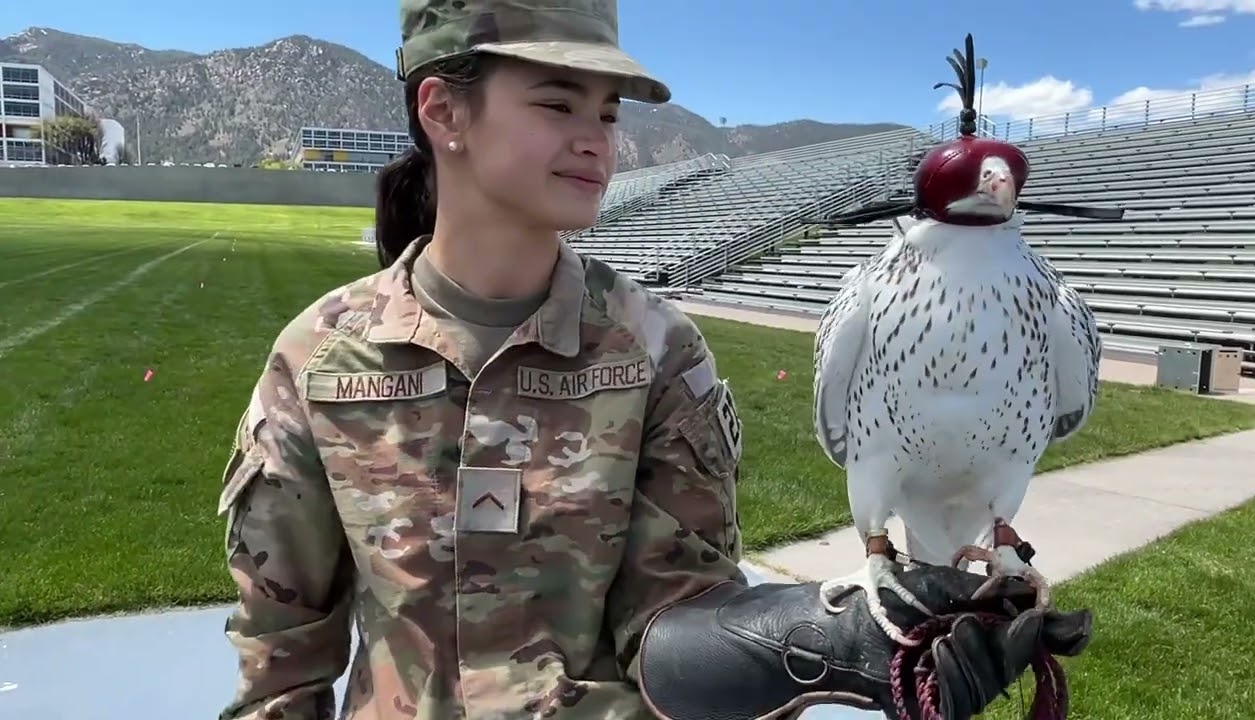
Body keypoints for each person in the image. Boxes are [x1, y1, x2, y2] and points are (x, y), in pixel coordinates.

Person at [216, 1, 1094, 719]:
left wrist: (839, 644)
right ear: (442, 111)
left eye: (607, 112)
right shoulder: (319, 359)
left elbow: (677, 627)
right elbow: (280, 657)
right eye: (559, 106)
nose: (599, 140)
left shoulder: (656, 351)